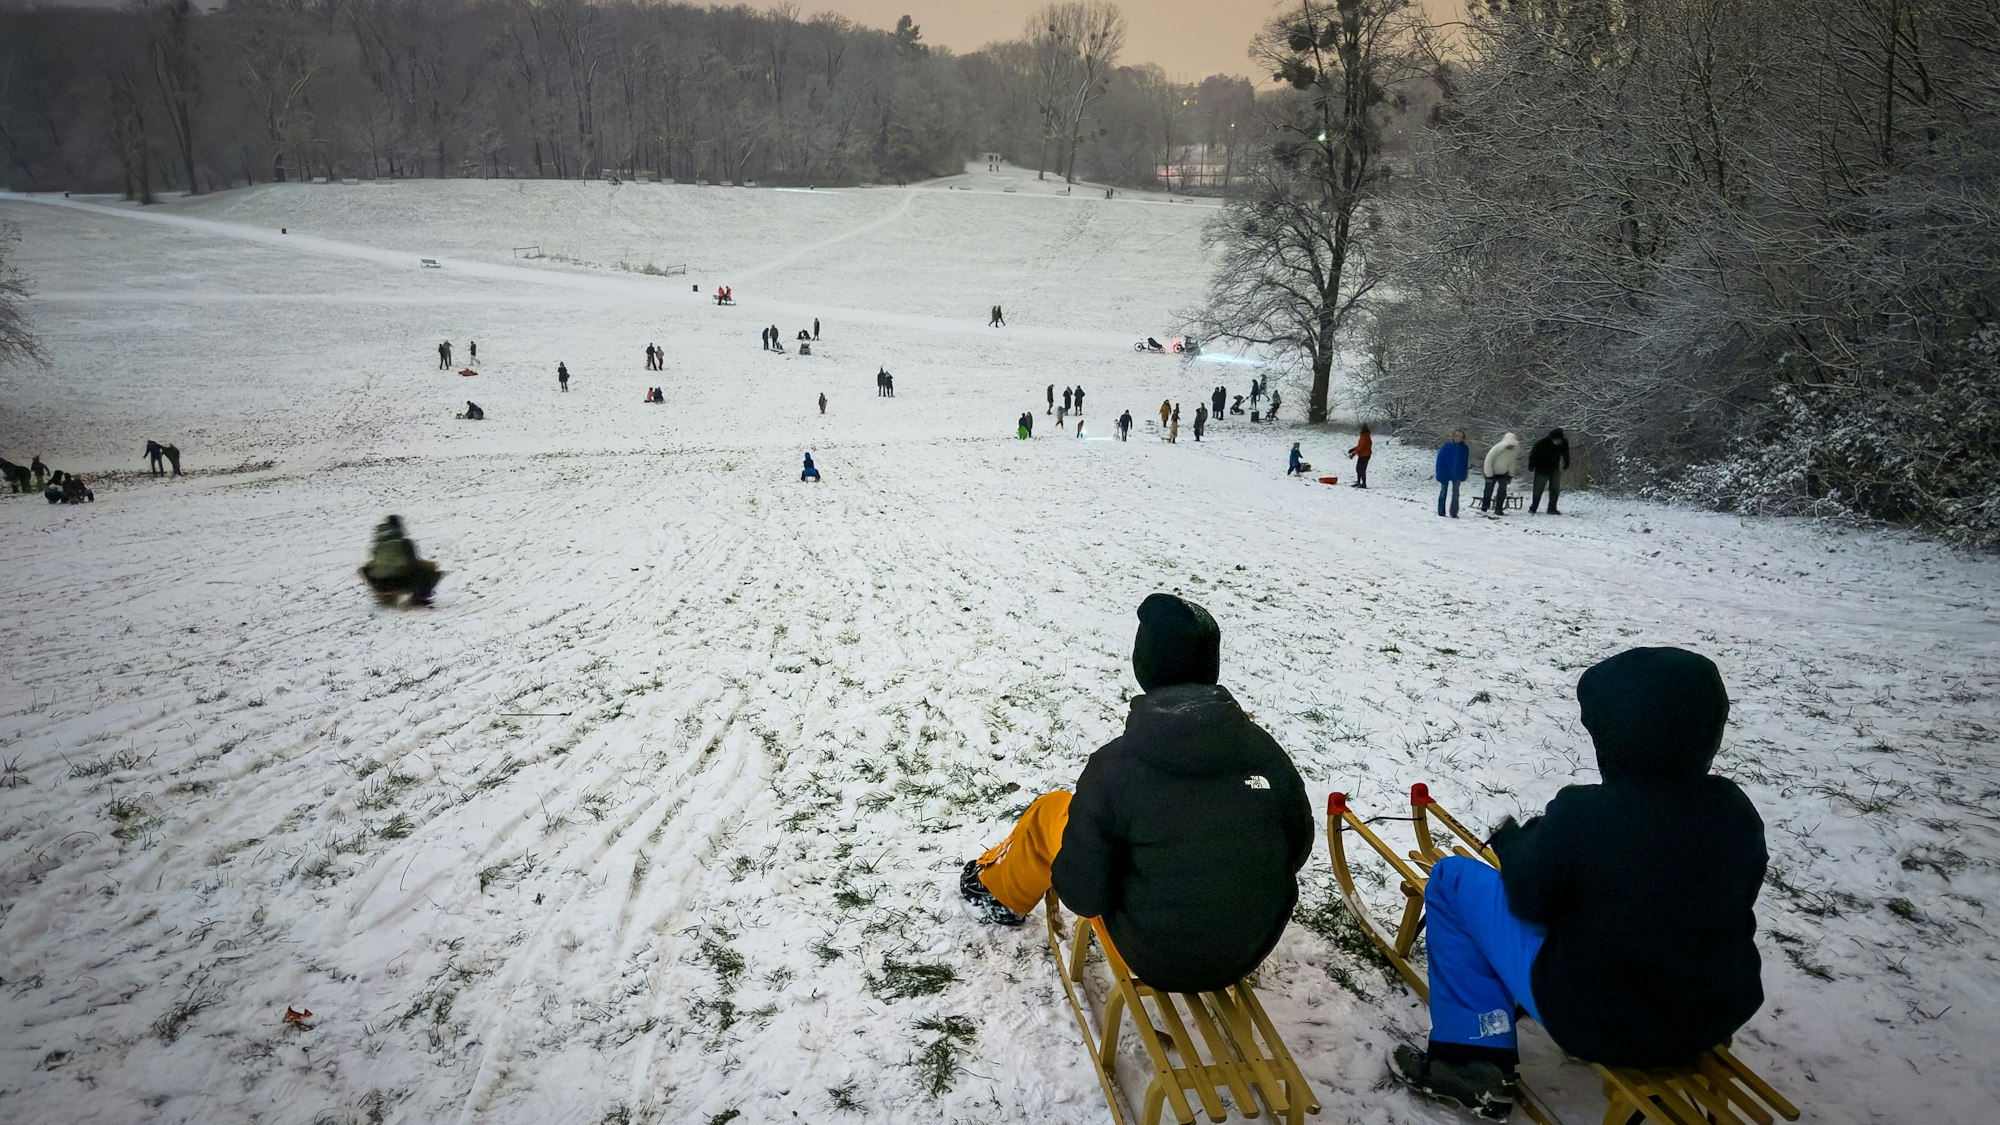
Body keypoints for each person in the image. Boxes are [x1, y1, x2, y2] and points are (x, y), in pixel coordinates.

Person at [1392, 647, 1768, 1120]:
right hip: (1714, 1013)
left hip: (1599, 1019)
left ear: (1616, 736)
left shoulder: (1587, 814)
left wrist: (1513, 843)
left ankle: (1471, 1060)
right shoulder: (1734, 811)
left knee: (1452, 880)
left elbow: (1528, 898)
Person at [957, 594, 1313, 997]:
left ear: (1144, 666)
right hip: (1250, 947)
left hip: (1154, 953)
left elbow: (1082, 896)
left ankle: (997, 893)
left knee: (1052, 810)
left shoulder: (1115, 767)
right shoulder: (1267, 754)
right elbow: (1297, 849)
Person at [359, 515, 442, 607]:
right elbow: (411, 564)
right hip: (401, 582)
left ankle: (385, 596)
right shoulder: (405, 543)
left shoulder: (378, 545)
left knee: (363, 569)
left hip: (379, 584)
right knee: (430, 571)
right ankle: (419, 597)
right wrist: (429, 565)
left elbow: (374, 564)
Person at [1528, 428, 1570, 514]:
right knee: (1538, 489)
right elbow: (1533, 455)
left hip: (1554, 468)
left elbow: (1566, 454)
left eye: (1559, 440)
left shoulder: (1563, 443)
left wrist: (1566, 463)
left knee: (1555, 488)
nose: (1558, 442)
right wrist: (1531, 465)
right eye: (1556, 440)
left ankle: (1552, 508)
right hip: (1541, 469)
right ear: (1551, 438)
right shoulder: (1541, 444)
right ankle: (1534, 507)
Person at [1481, 432, 1520, 516]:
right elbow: (1488, 460)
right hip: (1492, 472)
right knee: (1488, 489)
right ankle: (1485, 506)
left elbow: (1512, 462)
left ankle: (1498, 509)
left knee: (1502, 490)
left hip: (1503, 473)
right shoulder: (1497, 448)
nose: (1510, 447)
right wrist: (1489, 474)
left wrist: (1511, 474)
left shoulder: (1513, 451)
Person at [1435, 431, 1471, 518]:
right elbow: (1440, 460)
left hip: (1458, 473)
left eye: (1460, 436)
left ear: (1463, 438)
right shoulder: (1446, 447)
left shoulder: (1464, 448)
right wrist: (1439, 473)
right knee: (1443, 492)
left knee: (1456, 493)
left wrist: (1464, 473)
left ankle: (1454, 512)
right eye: (1456, 436)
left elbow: (1465, 462)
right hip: (1445, 472)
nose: (1457, 438)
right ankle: (1441, 512)